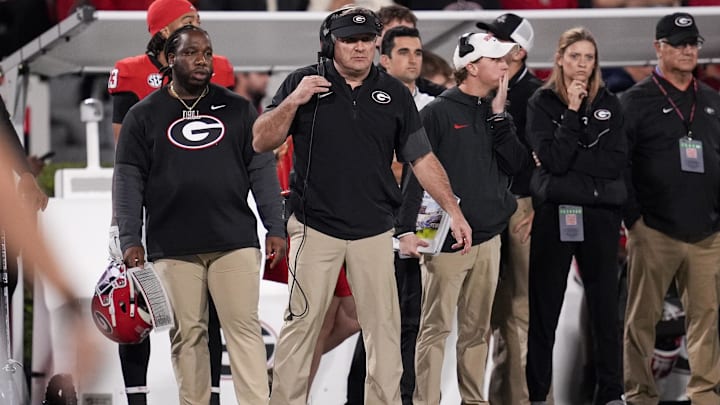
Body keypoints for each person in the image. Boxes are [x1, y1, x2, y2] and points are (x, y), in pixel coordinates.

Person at [252, 6, 472, 405]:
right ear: (329, 43)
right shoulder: (302, 82)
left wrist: (453, 211)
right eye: (348, 40)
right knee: (301, 328)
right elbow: (261, 141)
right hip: (315, 227)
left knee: (384, 334)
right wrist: (293, 102)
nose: (359, 48)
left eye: (366, 40)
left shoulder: (395, 94)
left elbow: (421, 158)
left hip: (374, 230)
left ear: (376, 43)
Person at [107, 1, 284, 404]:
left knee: (243, 331)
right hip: (173, 245)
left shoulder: (239, 109)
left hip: (234, 240)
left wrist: (274, 226)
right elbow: (128, 178)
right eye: (190, 52)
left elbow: (261, 171)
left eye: (206, 52)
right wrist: (131, 236)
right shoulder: (142, 115)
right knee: (188, 335)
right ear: (170, 58)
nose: (201, 60)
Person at [395, 32, 526, 405]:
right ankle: (425, 401)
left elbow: (518, 166)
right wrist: (406, 230)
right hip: (444, 239)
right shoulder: (436, 113)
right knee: (435, 329)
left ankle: (474, 400)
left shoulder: (496, 112)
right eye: (496, 59)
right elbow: (414, 174)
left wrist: (500, 118)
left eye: (505, 59)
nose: (504, 65)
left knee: (476, 331)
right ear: (471, 67)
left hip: (489, 238)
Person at [621, 12, 720, 405]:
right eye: (678, 44)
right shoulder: (634, 102)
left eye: (693, 43)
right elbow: (619, 166)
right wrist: (634, 222)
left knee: (707, 321)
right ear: (658, 48)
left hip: (708, 232)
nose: (688, 50)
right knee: (641, 322)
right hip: (655, 231)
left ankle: (705, 396)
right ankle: (640, 395)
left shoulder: (712, 101)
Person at [525, 27, 626, 405]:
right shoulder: (542, 102)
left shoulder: (611, 103)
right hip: (556, 213)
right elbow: (551, 159)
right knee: (545, 307)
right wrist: (570, 111)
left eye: (588, 57)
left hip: (600, 215)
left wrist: (567, 167)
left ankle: (611, 393)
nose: (582, 64)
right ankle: (538, 394)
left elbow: (615, 161)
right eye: (575, 56)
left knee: (604, 308)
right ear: (560, 59)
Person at [475, 13, 542, 405]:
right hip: (484, 206)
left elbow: (543, 160)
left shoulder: (536, 95)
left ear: (518, 51)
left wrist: (542, 206)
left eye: (498, 39)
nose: (489, 41)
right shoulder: (479, 87)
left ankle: (521, 399)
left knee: (518, 310)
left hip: (520, 206)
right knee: (485, 313)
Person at [377, 25, 433, 405]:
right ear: (384, 60)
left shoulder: (436, 105)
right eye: (403, 52)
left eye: (417, 52)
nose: (413, 59)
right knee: (376, 327)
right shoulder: (367, 102)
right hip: (374, 228)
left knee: (413, 322)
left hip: (422, 229)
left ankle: (408, 398)